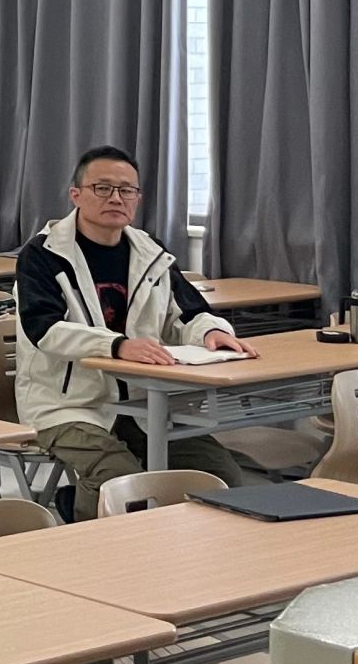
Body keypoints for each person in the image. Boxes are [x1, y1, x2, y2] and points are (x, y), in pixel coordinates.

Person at [18, 145, 255, 519]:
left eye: (127, 190)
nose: (116, 198)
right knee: (118, 479)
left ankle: (190, 553)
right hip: (69, 405)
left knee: (221, 475)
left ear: (138, 198)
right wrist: (116, 346)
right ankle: (87, 535)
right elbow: (44, 330)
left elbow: (189, 312)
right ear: (75, 195)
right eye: (102, 188)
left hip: (146, 402)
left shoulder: (151, 251)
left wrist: (211, 332)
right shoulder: (43, 255)